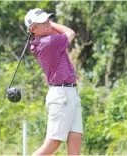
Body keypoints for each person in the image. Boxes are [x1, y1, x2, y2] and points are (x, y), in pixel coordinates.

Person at [24, 8, 83, 155]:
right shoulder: (48, 42)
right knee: (53, 142)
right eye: (43, 22)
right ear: (33, 29)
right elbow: (70, 32)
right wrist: (53, 24)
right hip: (61, 94)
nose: (47, 24)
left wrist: (47, 25)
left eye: (48, 20)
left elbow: (58, 34)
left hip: (70, 92)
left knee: (75, 138)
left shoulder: (45, 39)